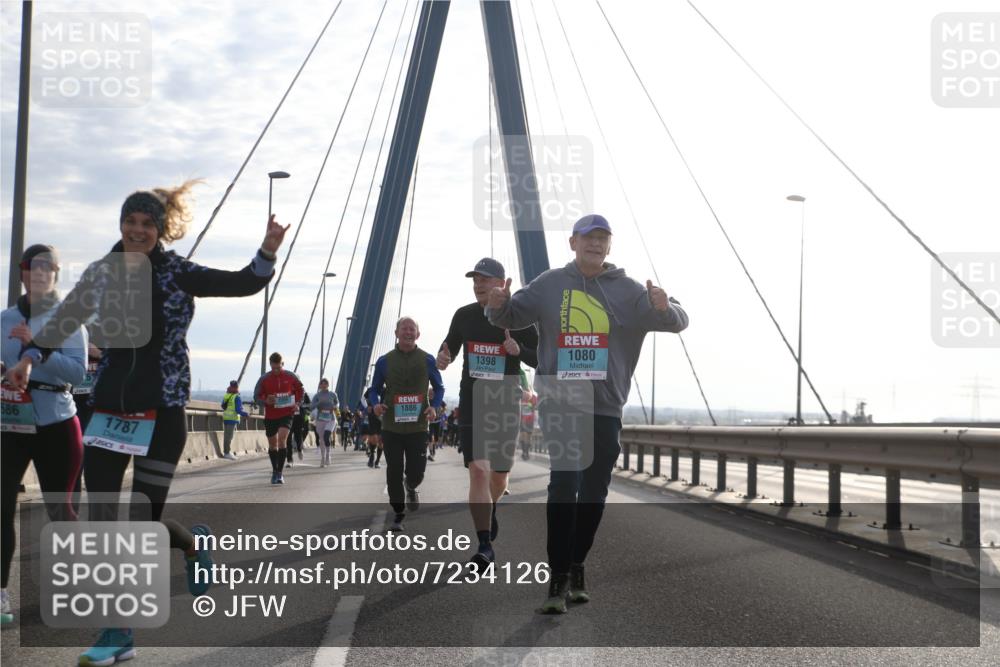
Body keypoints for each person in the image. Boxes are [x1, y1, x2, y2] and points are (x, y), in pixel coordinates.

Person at [4, 184, 288, 660]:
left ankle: (171, 569)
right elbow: (64, 320)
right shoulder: (102, 273)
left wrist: (266, 251)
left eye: (147, 224)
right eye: (131, 221)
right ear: (121, 225)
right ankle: (124, 626)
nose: (137, 230)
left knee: (140, 525)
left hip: (163, 412)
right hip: (109, 411)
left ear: (159, 230)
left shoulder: (178, 271)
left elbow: (242, 282)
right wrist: (29, 359)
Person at [486, 213, 688, 613]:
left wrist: (665, 307)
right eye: (588, 237)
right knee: (564, 486)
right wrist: (498, 304)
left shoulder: (629, 290)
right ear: (572, 243)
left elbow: (678, 320)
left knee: (594, 493)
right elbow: (509, 316)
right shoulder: (549, 284)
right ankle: (557, 579)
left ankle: (576, 564)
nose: (595, 244)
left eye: (602, 238)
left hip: (607, 406)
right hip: (561, 402)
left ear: (609, 246)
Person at [1, 245, 87, 627]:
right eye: (30, 267)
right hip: (10, 422)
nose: (38, 273)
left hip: (56, 421)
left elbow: (79, 374)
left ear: (54, 273)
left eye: (46, 267)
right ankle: (1, 593)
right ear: (21, 273)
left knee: (60, 509)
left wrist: (35, 353)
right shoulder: (3, 319)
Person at [437, 257, 538, 569]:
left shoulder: (519, 319)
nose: (477, 284)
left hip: (506, 404)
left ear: (501, 283)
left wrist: (519, 351)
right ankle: (484, 546)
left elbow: (542, 360)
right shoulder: (465, 315)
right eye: (475, 279)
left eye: (484, 279)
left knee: (499, 476)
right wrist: (443, 357)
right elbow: (449, 347)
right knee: (478, 470)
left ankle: (492, 508)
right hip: (473, 401)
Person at [367, 317, 444, 532]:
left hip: (419, 427)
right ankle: (398, 513)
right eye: (404, 329)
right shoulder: (384, 361)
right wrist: (375, 405)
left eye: (412, 329)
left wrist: (434, 407)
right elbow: (373, 389)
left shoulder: (427, 360)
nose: (408, 332)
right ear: (396, 333)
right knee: (394, 469)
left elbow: (439, 388)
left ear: (418, 334)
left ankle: (411, 486)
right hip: (391, 425)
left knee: (416, 471)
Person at [253, 352, 303, 484]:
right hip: (271, 415)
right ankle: (275, 470)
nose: (276, 370)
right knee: (272, 444)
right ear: (270, 365)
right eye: (273, 368)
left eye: (278, 368)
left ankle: (280, 473)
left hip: (287, 413)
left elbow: (301, 390)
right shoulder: (264, 379)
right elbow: (256, 396)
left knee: (282, 439)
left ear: (283, 364)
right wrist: (265, 401)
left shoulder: (290, 376)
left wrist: (297, 403)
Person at [311, 379, 339, 467]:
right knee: (322, 439)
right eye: (322, 384)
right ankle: (322, 458)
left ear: (328, 385)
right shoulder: (317, 395)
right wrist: (318, 404)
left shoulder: (333, 394)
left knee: (327, 436)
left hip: (331, 418)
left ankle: (328, 455)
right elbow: (312, 406)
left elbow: (337, 403)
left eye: (325, 384)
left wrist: (334, 407)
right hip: (320, 419)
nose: (323, 385)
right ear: (320, 385)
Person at [221, 380, 249, 460]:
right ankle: (227, 453)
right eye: (236, 387)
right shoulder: (237, 397)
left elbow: (222, 406)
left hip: (226, 418)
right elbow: (238, 410)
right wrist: (246, 414)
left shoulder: (226, 395)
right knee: (229, 437)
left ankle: (226, 452)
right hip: (232, 418)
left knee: (226, 436)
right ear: (236, 387)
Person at [285, 391, 310, 466]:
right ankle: (289, 460)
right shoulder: (288, 392)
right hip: (289, 418)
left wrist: (301, 406)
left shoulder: (304, 393)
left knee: (298, 437)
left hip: (299, 419)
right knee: (288, 439)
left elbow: (309, 405)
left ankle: (299, 449)